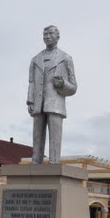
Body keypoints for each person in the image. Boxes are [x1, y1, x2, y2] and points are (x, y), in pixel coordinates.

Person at [27, 25, 77, 163]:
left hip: (55, 103)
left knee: (55, 138)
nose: (47, 37)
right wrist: (30, 101)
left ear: (57, 37)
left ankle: (54, 163)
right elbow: (31, 82)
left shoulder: (65, 58)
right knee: (37, 137)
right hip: (38, 103)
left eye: (50, 34)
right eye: (45, 35)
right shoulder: (35, 59)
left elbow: (74, 87)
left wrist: (63, 84)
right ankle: (35, 163)